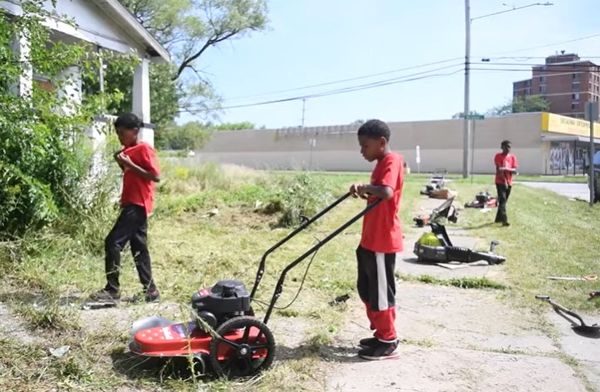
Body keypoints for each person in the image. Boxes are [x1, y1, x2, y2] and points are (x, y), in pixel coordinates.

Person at [90, 113, 161, 303]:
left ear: (135, 131)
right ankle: (151, 291)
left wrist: (128, 162)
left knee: (112, 242)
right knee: (139, 248)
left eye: (123, 132)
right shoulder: (128, 150)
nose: (120, 136)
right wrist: (122, 163)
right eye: (117, 133)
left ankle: (112, 290)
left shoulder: (143, 148)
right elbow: (132, 174)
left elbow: (155, 176)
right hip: (132, 202)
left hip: (138, 204)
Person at [349, 119, 404, 360]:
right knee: (367, 288)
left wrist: (367, 187)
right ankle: (380, 333)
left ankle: (389, 340)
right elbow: (378, 194)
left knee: (381, 292)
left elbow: (387, 191)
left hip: (383, 240)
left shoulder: (391, 160)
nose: (362, 151)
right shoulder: (381, 161)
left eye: (365, 146)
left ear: (381, 143)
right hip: (370, 238)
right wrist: (363, 190)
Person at [494, 140, 518, 226]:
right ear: (502, 147)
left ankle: (497, 219)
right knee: (503, 200)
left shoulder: (512, 157)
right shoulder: (498, 156)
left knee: (503, 201)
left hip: (509, 182)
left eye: (509, 147)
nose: (508, 148)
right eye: (506, 146)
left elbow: (514, 170)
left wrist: (506, 169)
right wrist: (504, 181)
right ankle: (504, 220)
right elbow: (498, 170)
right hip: (500, 182)